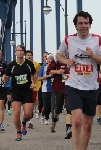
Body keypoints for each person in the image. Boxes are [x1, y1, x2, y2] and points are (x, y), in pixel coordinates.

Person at [56, 11, 101, 150]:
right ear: (75, 25)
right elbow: (58, 55)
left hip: (91, 87)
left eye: (86, 23)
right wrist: (67, 61)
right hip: (73, 85)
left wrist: (93, 55)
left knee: (87, 125)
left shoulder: (97, 39)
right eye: (80, 23)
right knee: (76, 121)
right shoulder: (68, 40)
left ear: (90, 24)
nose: (83, 26)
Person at [3, 45, 37, 141]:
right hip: (15, 91)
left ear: (24, 53)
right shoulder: (11, 65)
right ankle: (18, 132)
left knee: (28, 114)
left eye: (21, 50)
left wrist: (33, 82)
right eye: (17, 50)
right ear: (15, 52)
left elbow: (34, 74)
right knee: (16, 112)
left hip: (27, 91)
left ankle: (24, 123)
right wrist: (4, 79)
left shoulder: (29, 64)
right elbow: (5, 77)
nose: (19, 52)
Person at [25, 50, 41, 128]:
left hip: (33, 86)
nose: (29, 56)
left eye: (30, 55)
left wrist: (34, 83)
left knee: (32, 103)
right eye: (27, 55)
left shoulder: (37, 65)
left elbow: (37, 74)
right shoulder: (22, 64)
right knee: (26, 104)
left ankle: (30, 119)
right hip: (24, 87)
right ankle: (28, 120)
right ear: (25, 56)